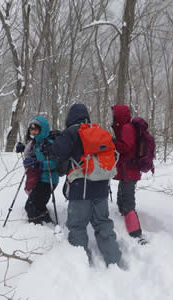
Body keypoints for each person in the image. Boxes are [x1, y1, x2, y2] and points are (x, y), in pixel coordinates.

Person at [42, 103, 122, 267]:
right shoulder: (100, 132)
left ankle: (81, 265)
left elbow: (56, 151)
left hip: (80, 190)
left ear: (70, 117)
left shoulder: (72, 132)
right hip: (101, 188)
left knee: (77, 226)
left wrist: (49, 145)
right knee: (103, 224)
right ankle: (114, 261)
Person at [111, 104, 145, 244]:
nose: (112, 116)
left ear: (119, 115)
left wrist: (112, 142)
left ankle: (136, 234)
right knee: (122, 196)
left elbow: (125, 147)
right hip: (127, 171)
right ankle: (123, 221)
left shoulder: (127, 128)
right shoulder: (124, 127)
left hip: (130, 170)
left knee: (128, 200)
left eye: (114, 114)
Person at [16, 116, 59, 225]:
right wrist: (23, 149)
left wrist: (38, 165)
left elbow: (54, 163)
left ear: (42, 129)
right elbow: (33, 156)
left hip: (49, 179)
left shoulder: (50, 143)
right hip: (39, 179)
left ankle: (38, 229)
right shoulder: (35, 143)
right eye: (31, 129)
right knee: (37, 204)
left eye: (36, 129)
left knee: (31, 206)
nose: (33, 132)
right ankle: (46, 221)